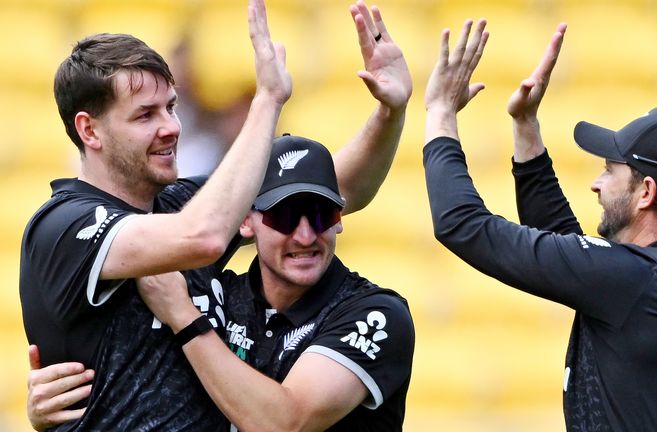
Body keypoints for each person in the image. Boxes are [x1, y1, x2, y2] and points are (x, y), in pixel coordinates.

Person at [22, 0, 412, 429]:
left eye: (171, 107)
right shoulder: (65, 227)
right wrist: (267, 101)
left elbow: (333, 188)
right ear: (89, 130)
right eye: (145, 115)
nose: (171, 127)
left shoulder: (177, 205)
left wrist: (390, 114)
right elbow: (200, 237)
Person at [422, 19, 657, 431]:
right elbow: (573, 251)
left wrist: (440, 114)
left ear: (646, 193)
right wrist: (526, 127)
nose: (596, 183)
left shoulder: (633, 279)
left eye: (609, 171)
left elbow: (462, 225)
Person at [138, 134, 415, 431]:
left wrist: (183, 317)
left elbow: (284, 424)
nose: (305, 236)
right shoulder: (222, 297)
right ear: (244, 221)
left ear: (339, 218)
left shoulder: (378, 314)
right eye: (285, 217)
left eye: (322, 215)